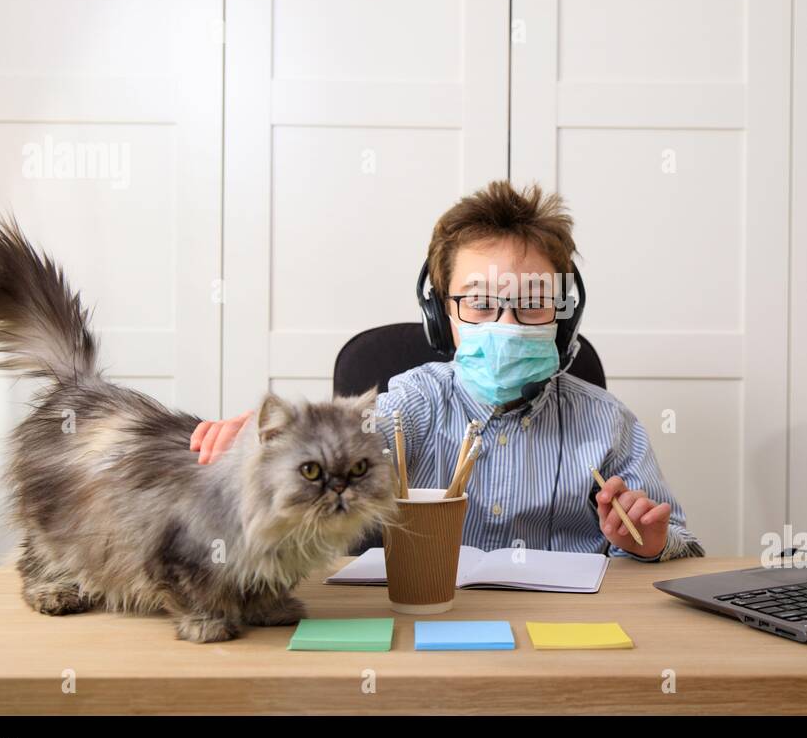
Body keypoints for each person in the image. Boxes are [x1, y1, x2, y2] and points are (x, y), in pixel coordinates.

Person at [191, 181, 704, 561]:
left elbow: (685, 547)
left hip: (574, 635)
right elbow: (345, 445)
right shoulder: (413, 405)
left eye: (532, 304)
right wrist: (276, 446)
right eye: (479, 304)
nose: (506, 325)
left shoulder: (609, 424)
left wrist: (651, 542)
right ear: (440, 316)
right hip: (433, 625)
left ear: (564, 317)